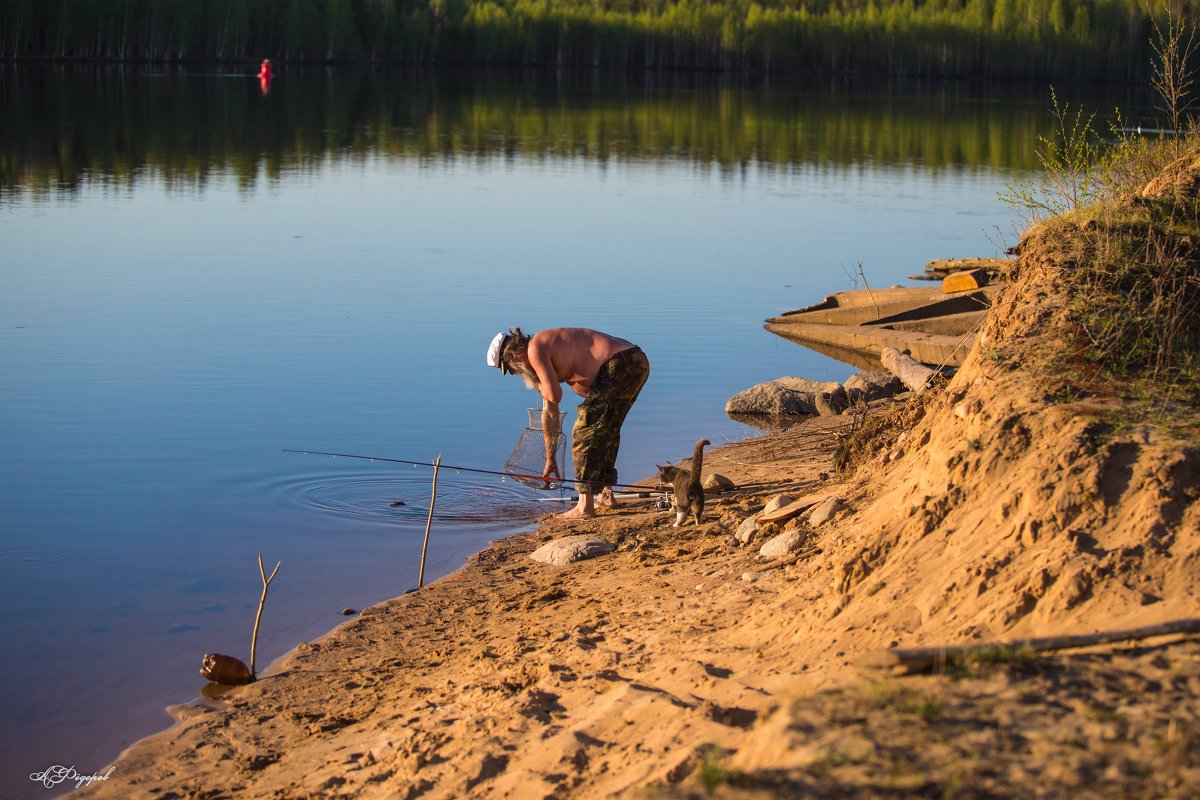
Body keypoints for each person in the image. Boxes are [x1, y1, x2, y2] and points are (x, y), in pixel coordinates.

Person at [486, 327, 649, 519]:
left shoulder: (535, 349)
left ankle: (584, 508)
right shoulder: (544, 354)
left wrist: (540, 384)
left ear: (513, 355)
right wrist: (550, 457)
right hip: (636, 362)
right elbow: (550, 412)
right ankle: (606, 494)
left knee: (583, 431)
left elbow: (555, 395)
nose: (513, 374)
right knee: (606, 428)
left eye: (508, 368)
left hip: (621, 362)